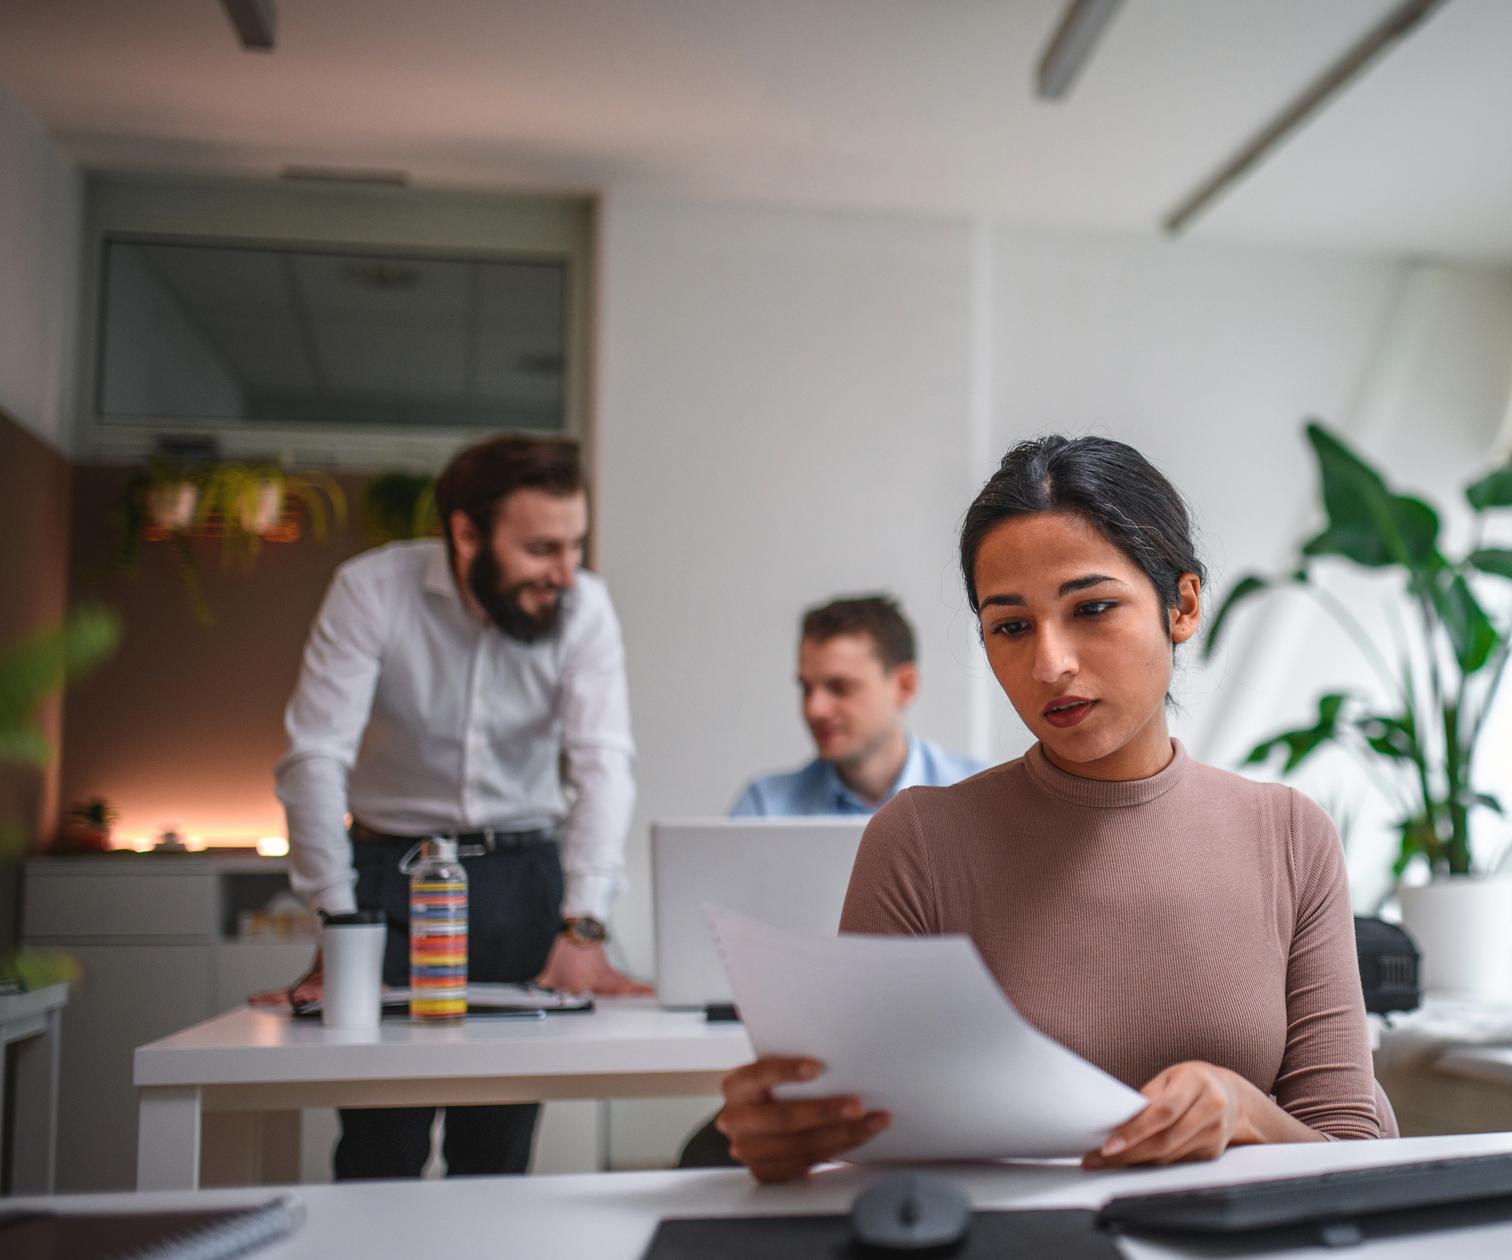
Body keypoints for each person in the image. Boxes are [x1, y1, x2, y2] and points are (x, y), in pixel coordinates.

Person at [697, 435, 1391, 1180]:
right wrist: (791, 1140)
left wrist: (1245, 1111)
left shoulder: (1288, 835)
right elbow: (871, 1147)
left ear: (1182, 605)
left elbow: (1355, 1150)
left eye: (1092, 608)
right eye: (1011, 626)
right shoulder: (920, 840)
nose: (1049, 664)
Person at [261, 434, 648, 1180]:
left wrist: (584, 924)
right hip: (387, 879)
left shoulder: (585, 607)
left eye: (574, 545)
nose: (566, 573)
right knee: (380, 1144)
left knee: (498, 1150)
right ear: (465, 533)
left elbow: (605, 767)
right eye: (541, 548)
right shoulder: (370, 589)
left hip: (522, 883)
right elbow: (313, 760)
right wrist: (340, 925)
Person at [728, 595, 983, 816]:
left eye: (840, 688)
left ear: (905, 686)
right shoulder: (765, 809)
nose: (814, 709)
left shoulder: (981, 798)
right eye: (807, 688)